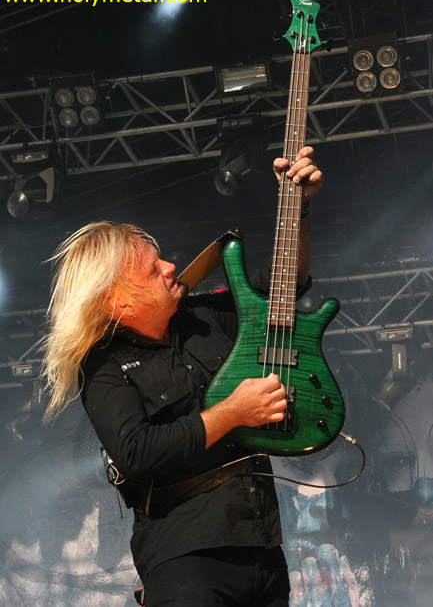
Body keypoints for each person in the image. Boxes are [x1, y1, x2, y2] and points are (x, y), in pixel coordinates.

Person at [42, 146, 323, 607]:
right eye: (153, 270)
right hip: (185, 558)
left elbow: (283, 290)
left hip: (263, 546)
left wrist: (299, 208)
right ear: (120, 302)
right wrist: (232, 413)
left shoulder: (204, 318)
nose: (170, 266)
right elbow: (137, 452)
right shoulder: (103, 364)